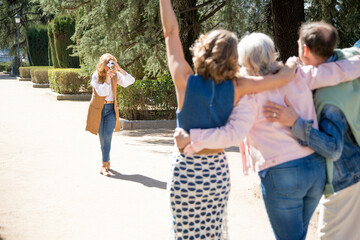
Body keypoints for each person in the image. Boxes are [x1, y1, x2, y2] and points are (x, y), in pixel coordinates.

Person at [174, 26, 360, 240]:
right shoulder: (299, 75)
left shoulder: (249, 94)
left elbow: (232, 134)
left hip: (281, 173)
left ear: (242, 61)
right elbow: (341, 71)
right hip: (315, 170)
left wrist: (193, 138)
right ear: (272, 53)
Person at [159, 1, 298, 239]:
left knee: (184, 234)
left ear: (201, 50)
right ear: (234, 58)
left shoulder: (184, 79)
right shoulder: (239, 87)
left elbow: (170, 32)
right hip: (215, 172)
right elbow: (284, 77)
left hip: (186, 170)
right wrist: (293, 63)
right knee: (213, 233)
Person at [262, 39, 360, 239]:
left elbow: (333, 149)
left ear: (305, 49)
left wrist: (295, 122)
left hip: (345, 181)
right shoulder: (347, 60)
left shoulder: (329, 98)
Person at [86, 53, 135, 176]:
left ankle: (104, 165)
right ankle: (106, 161)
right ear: (103, 65)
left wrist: (119, 69)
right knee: (102, 137)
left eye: (112, 64)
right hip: (98, 109)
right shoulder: (96, 76)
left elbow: (130, 81)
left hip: (111, 109)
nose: (110, 67)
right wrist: (107, 78)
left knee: (107, 135)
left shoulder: (116, 75)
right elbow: (102, 93)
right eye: (108, 64)